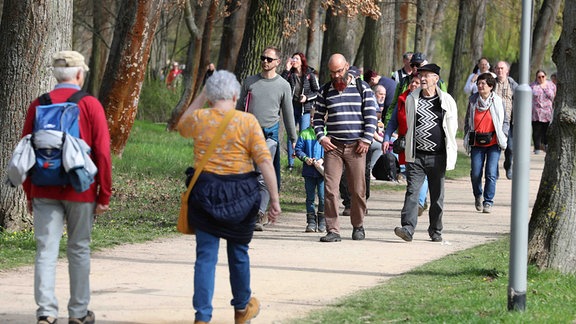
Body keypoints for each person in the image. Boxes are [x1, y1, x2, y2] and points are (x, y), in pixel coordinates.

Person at [177, 70, 281, 324]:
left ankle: (202, 317)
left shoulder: (200, 118)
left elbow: (181, 126)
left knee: (205, 258)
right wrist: (275, 200)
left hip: (205, 192)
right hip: (241, 194)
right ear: (236, 95)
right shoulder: (247, 122)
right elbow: (265, 162)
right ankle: (241, 309)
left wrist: (203, 94)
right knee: (239, 253)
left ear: (212, 96)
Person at [20, 51, 112, 324]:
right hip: (81, 190)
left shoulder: (38, 105)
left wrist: (29, 192)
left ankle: (46, 313)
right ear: (80, 75)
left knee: (45, 251)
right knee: (79, 248)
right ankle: (78, 313)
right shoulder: (90, 105)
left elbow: (26, 152)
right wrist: (103, 194)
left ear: (54, 76)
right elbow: (103, 153)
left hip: (43, 189)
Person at [313, 53, 378, 242]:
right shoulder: (325, 91)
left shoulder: (362, 88)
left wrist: (366, 140)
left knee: (357, 189)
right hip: (333, 147)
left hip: (356, 147)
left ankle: (358, 225)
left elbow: (371, 116)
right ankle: (333, 230)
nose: (335, 76)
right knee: (330, 189)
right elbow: (317, 117)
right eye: (332, 72)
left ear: (347, 67)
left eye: (339, 71)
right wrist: (321, 137)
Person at [392, 63, 458, 243]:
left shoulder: (446, 101)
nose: (422, 79)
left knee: (437, 197)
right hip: (416, 155)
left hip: (438, 156)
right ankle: (407, 228)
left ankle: (436, 231)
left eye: (426, 75)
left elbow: (453, 127)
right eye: (420, 75)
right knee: (412, 191)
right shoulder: (412, 98)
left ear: (436, 79)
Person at [237, 46, 297, 230]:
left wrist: (292, 138)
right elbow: (239, 107)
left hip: (269, 136)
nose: (265, 61)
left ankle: (259, 214)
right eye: (263, 58)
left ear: (278, 62)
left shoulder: (283, 85)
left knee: (262, 177)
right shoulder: (250, 82)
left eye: (269, 59)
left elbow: (288, 113)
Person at [383, 76, 429, 216]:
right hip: (406, 143)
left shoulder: (427, 101)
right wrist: (386, 138)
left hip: (423, 142)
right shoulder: (402, 100)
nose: (414, 84)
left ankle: (419, 203)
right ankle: (417, 201)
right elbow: (392, 122)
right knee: (411, 175)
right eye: (412, 82)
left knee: (423, 174)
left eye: (417, 82)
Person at [464, 73, 508, 214]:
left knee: (491, 173)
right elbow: (467, 121)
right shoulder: (473, 101)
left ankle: (488, 201)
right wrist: (467, 135)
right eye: (478, 83)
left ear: (490, 86)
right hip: (477, 143)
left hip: (493, 143)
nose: (480, 86)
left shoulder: (498, 101)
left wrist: (504, 134)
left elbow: (505, 121)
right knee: (476, 173)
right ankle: (478, 195)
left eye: (483, 83)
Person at [281, 52, 320, 171]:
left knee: (304, 135)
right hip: (292, 108)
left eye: (296, 59)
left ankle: (305, 162)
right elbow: (280, 85)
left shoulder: (309, 74)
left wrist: (307, 98)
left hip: (305, 110)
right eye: (292, 58)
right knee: (291, 136)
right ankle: (291, 164)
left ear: (302, 61)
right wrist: (286, 70)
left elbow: (317, 92)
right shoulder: (289, 75)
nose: (294, 60)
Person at [295, 110, 325, 232]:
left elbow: (331, 150)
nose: (313, 119)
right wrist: (305, 158)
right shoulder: (304, 133)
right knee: (310, 197)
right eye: (311, 117)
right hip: (309, 171)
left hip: (323, 172)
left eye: (316, 117)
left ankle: (322, 220)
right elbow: (298, 149)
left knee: (323, 197)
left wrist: (322, 160)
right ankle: (311, 221)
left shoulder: (326, 133)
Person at [493, 61, 518, 179]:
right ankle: (494, 170)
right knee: (495, 147)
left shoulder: (513, 85)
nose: (500, 70)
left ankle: (508, 166)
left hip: (509, 122)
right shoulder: (491, 83)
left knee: (510, 148)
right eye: (497, 68)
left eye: (502, 68)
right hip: (493, 121)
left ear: (507, 70)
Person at [530, 69, 556, 154]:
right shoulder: (532, 86)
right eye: (539, 77)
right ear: (536, 77)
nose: (541, 78)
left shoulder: (551, 85)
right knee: (536, 130)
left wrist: (545, 88)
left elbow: (553, 96)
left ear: (546, 77)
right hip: (536, 113)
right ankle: (537, 148)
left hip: (547, 112)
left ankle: (546, 145)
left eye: (542, 76)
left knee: (546, 130)